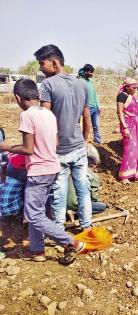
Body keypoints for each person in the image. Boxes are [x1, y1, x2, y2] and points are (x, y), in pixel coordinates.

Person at [0, 78, 85, 264]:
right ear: (37, 95)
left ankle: (71, 242)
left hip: (39, 170)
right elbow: (54, 143)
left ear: (17, 97)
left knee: (33, 214)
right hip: (52, 167)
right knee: (36, 211)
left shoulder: (27, 115)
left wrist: (6, 147)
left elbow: (28, 149)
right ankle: (37, 251)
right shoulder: (48, 114)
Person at [35, 44, 93, 231]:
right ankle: (87, 226)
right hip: (78, 147)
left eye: (41, 63)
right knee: (83, 188)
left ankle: (59, 231)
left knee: (59, 192)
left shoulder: (48, 84)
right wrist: (84, 140)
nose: (40, 68)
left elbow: (44, 119)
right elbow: (86, 118)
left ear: (53, 62)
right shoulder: (82, 84)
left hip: (58, 151)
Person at [116, 78, 138, 184]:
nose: (135, 90)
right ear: (127, 87)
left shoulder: (131, 96)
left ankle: (134, 172)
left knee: (136, 148)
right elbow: (119, 113)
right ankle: (124, 176)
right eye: (133, 88)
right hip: (128, 124)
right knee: (129, 149)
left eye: (136, 88)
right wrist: (125, 127)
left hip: (136, 125)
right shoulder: (122, 96)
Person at [67, 145, 106, 219]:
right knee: (102, 206)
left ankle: (67, 210)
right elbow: (94, 197)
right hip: (76, 204)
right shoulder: (93, 176)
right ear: (94, 165)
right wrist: (99, 201)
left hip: (64, 204)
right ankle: (75, 212)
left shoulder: (71, 170)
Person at [79, 64, 102, 144]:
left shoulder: (91, 81)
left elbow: (95, 94)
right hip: (87, 108)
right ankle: (83, 141)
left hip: (95, 107)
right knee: (86, 126)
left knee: (96, 125)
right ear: (86, 72)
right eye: (91, 72)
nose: (92, 74)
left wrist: (98, 106)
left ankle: (98, 141)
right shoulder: (81, 82)